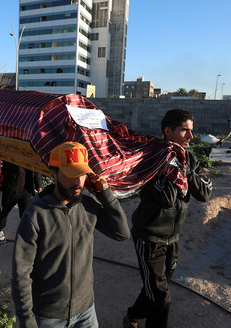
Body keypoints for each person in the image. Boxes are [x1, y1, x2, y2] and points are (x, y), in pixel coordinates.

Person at [12, 141, 131, 327]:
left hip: (86, 312)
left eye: (82, 174)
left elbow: (121, 233)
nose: (78, 182)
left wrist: (105, 195)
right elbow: (21, 272)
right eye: (70, 175)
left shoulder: (88, 206)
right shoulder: (35, 216)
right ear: (53, 175)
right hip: (48, 317)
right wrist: (26, 319)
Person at [123, 109, 213, 328]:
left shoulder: (188, 158)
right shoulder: (153, 158)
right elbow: (167, 199)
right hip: (150, 238)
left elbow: (205, 193)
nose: (191, 136)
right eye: (185, 131)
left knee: (155, 289)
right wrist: (171, 168)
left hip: (172, 239)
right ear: (168, 131)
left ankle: (131, 317)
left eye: (191, 130)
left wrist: (186, 170)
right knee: (161, 297)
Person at [0, 162, 42, 244]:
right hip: (9, 188)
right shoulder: (11, 152)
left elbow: (36, 171)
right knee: (4, 211)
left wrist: (39, 187)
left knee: (26, 215)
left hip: (26, 191)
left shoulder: (30, 154)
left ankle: (25, 234)